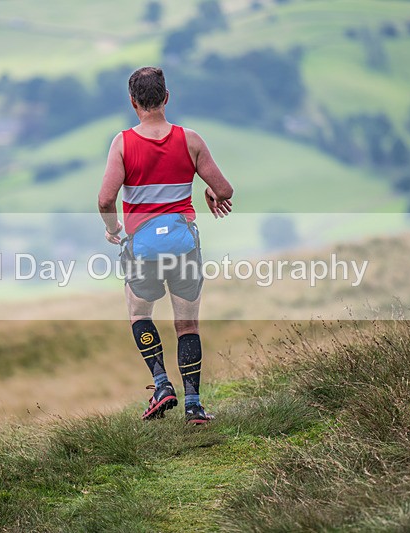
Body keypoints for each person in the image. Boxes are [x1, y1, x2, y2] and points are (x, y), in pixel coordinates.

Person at [98, 66, 234, 424]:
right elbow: (225, 191)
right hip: (183, 245)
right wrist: (208, 191)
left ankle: (161, 385)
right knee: (187, 326)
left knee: (139, 314)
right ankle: (194, 406)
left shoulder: (123, 143)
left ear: (133, 102)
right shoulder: (190, 140)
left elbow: (105, 199)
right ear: (166, 97)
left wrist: (113, 230)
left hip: (142, 248)